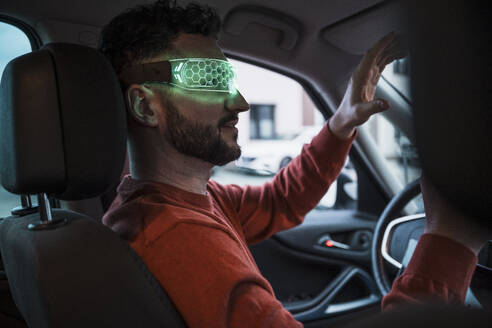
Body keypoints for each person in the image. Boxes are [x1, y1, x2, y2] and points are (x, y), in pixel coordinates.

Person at [99, 1, 490, 327]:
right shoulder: (176, 238)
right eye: (208, 78)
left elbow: (278, 202)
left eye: (229, 78)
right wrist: (451, 239)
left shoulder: (182, 201)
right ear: (145, 105)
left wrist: (342, 122)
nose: (239, 103)